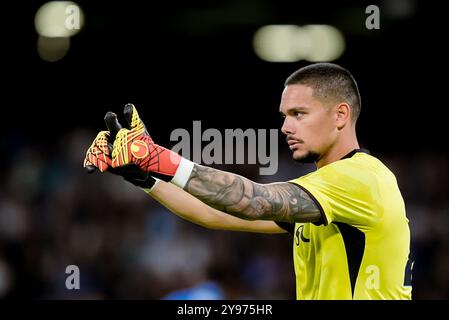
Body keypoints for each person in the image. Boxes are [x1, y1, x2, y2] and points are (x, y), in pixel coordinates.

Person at [84, 62, 413, 299]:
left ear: (340, 115)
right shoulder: (324, 193)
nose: (286, 127)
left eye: (299, 114)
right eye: (285, 117)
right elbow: (217, 213)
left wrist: (160, 158)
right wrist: (145, 177)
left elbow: (253, 200)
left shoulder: (359, 179)